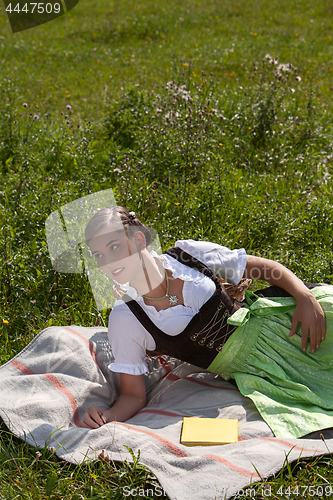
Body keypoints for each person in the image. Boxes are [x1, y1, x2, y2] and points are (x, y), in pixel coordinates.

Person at [80, 206, 333, 438]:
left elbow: (264, 269)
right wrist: (108, 415)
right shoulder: (126, 317)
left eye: (114, 247)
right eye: (99, 255)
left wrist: (303, 296)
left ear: (138, 239)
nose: (107, 262)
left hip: (283, 323)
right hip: (260, 370)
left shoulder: (187, 255)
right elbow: (133, 395)